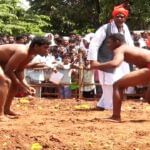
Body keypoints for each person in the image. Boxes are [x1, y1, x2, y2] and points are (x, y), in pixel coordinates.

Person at [91, 33, 150, 122]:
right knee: (149, 97)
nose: (108, 45)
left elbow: (115, 63)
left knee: (117, 85)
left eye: (109, 42)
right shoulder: (127, 48)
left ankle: (116, 116)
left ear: (117, 42)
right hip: (147, 66)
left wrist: (97, 65)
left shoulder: (119, 49)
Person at [88, 5, 134, 110]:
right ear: (113, 17)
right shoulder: (105, 28)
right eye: (117, 16)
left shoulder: (125, 28)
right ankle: (111, 106)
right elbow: (94, 44)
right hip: (106, 60)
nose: (120, 18)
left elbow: (130, 44)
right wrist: (93, 61)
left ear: (125, 18)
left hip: (122, 61)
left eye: (122, 16)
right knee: (109, 83)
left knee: (119, 82)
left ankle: (102, 104)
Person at [0, 36, 50, 121]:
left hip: (2, 62)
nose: (47, 50)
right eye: (45, 47)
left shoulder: (30, 56)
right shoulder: (22, 52)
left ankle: (6, 109)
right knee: (5, 81)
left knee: (14, 84)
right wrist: (21, 86)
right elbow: (8, 70)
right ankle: (0, 114)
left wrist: (27, 86)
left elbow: (19, 71)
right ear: (36, 46)